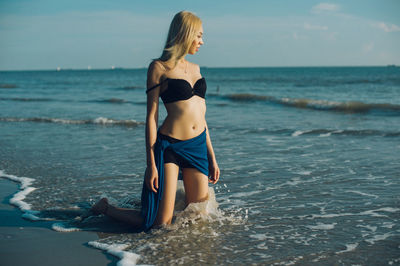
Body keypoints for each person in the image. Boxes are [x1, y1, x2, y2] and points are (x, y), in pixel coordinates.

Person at [90, 11, 220, 231]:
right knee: (160, 225)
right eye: (198, 35)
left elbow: (201, 118)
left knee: (198, 217)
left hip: (197, 146)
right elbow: (151, 117)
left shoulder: (197, 70)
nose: (201, 41)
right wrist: (151, 164)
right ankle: (106, 208)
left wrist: (212, 157)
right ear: (185, 34)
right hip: (170, 147)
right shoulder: (159, 68)